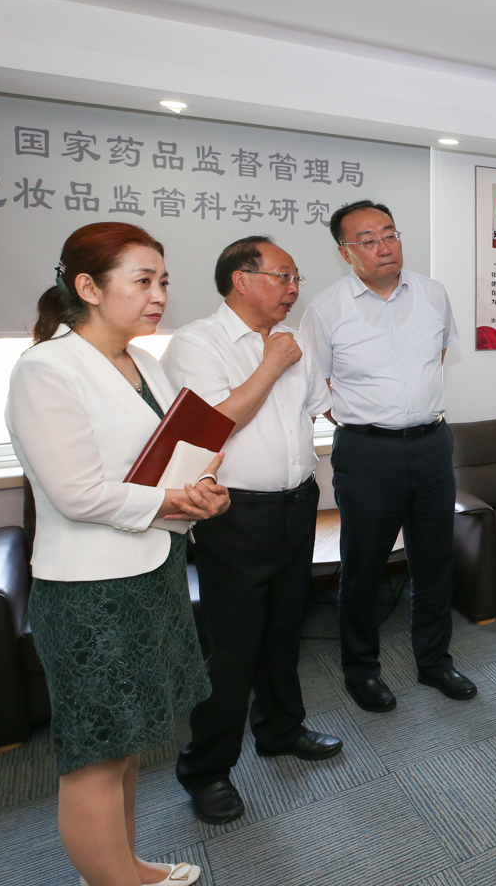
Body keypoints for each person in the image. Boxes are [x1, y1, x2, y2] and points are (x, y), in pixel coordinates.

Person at [6, 222, 228, 886]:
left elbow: (171, 459)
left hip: (151, 573)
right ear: (88, 287)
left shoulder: (144, 363)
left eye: (164, 281)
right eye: (143, 281)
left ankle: (125, 867)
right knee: (95, 756)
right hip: (90, 593)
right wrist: (173, 502)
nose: (159, 295)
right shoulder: (46, 369)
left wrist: (202, 492)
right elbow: (76, 493)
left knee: (127, 742)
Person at [162, 236, 339, 825]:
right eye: (282, 276)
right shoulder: (197, 343)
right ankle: (207, 770)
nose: (293, 288)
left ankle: (281, 730)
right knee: (234, 649)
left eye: (296, 278)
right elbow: (213, 425)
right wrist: (271, 365)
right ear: (241, 279)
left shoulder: (291, 341)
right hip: (233, 514)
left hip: (297, 503)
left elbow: (313, 408)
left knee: (286, 629)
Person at [301, 201, 474, 713]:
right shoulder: (325, 310)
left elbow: (437, 357)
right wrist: (369, 418)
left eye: (390, 234)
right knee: (364, 566)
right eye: (368, 239)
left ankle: (435, 662)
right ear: (346, 252)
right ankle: (362, 671)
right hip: (366, 452)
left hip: (432, 443)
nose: (384, 247)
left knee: (434, 560)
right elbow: (317, 386)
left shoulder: (433, 294)